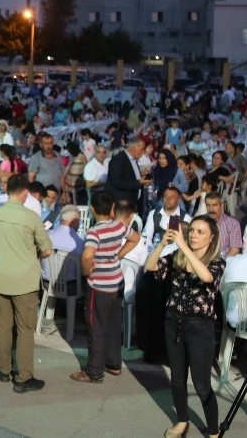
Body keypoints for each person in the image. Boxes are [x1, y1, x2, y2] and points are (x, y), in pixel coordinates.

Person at [146, 216, 226, 438]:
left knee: (201, 385)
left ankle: (213, 432)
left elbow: (207, 277)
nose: (194, 235)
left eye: (201, 232)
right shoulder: (177, 257)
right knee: (177, 379)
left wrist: (183, 246)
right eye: (192, 230)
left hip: (200, 327)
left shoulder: (217, 262)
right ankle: (182, 420)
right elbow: (150, 267)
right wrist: (163, 244)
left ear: (211, 238)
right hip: (173, 322)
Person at [0, 174, 52, 393]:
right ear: (25, 192)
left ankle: (3, 368)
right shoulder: (31, 218)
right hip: (24, 281)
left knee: (2, 326)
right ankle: (23, 377)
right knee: (24, 330)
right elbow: (47, 249)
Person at [70, 191, 139, 384]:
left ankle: (94, 371)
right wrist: (118, 254)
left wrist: (86, 271)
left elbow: (86, 256)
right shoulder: (119, 226)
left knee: (96, 327)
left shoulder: (94, 232)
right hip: (116, 282)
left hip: (98, 286)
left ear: (92, 209)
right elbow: (136, 237)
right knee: (113, 324)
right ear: (112, 209)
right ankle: (114, 363)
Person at [106, 137, 151, 206]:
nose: (143, 152)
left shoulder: (133, 159)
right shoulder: (118, 160)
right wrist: (138, 182)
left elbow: (128, 175)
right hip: (121, 203)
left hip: (132, 201)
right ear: (133, 148)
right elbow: (117, 181)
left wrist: (140, 174)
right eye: (142, 149)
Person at [204, 192, 242, 258]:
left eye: (214, 205)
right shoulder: (200, 222)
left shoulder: (233, 224)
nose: (211, 209)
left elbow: (235, 250)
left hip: (224, 262)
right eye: (208, 205)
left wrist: (220, 264)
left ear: (222, 206)